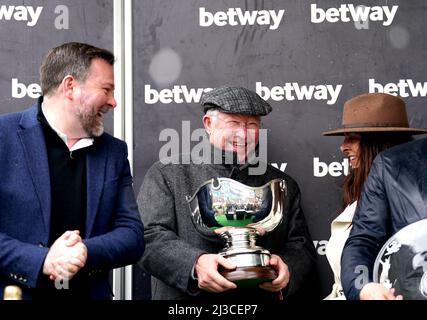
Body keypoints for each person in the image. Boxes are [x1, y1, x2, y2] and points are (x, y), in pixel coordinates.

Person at [138, 86, 318, 300]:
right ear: (208, 124)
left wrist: (287, 267)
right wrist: (194, 264)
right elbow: (147, 238)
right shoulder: (168, 173)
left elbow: (300, 246)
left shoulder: (281, 184)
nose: (243, 134)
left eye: (252, 125)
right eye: (233, 123)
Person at [0, 42, 145, 300]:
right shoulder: (4, 136)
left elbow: (132, 235)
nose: (113, 101)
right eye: (106, 89)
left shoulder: (113, 152)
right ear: (70, 86)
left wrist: (83, 252)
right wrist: (42, 260)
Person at [321, 92, 426, 299]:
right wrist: (363, 288)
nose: (343, 146)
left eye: (352, 137)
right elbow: (363, 242)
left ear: (376, 142)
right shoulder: (368, 186)